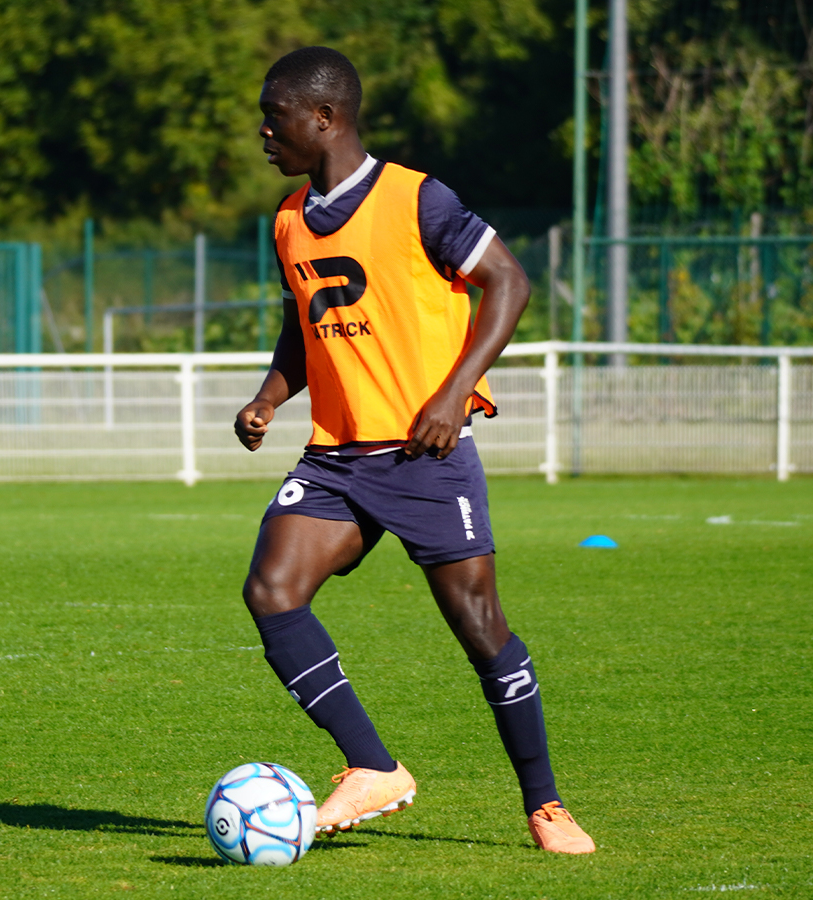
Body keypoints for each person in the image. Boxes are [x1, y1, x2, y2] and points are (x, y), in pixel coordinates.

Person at [234, 46, 595, 855]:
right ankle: (373, 766)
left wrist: (453, 391)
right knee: (272, 590)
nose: (265, 132)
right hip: (336, 459)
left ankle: (545, 806)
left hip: (426, 457)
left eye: (276, 116)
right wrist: (269, 397)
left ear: (325, 117)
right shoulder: (289, 219)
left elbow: (509, 281)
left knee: (481, 629)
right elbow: (304, 323)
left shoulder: (418, 199)